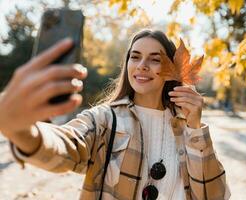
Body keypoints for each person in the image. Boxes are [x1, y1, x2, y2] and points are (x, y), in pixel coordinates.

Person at [0, 30, 230, 200]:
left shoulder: (189, 128)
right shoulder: (104, 119)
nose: (142, 65)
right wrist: (22, 131)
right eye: (135, 56)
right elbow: (66, 147)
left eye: (155, 59)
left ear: (172, 71)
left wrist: (195, 129)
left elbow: (215, 195)